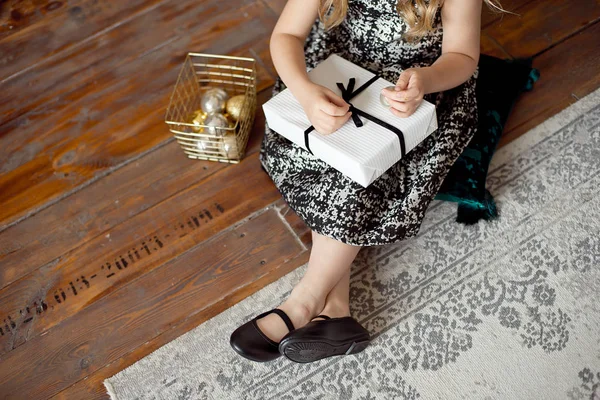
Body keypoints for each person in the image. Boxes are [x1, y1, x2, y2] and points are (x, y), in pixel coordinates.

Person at [230, 0, 501, 363]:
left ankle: (304, 301)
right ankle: (336, 311)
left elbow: (462, 56)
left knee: (367, 176)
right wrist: (306, 94)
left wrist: (426, 79)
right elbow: (287, 35)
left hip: (414, 92)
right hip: (339, 68)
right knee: (326, 160)